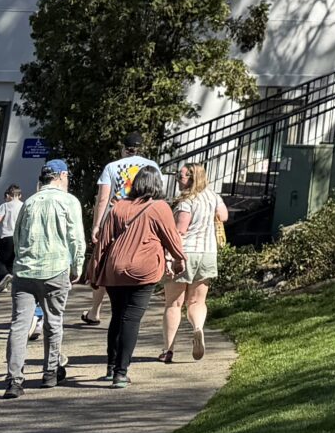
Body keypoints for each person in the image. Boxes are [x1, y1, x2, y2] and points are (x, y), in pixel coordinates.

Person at [82, 165, 184, 387]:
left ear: (136, 184)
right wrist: (179, 259)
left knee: (117, 316)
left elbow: (104, 241)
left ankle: (110, 367)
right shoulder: (160, 207)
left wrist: (95, 271)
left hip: (114, 269)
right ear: (157, 184)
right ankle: (121, 372)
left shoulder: (118, 207)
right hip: (144, 271)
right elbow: (172, 238)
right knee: (131, 319)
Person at [4, 160, 86, 399]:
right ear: (60, 176)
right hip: (56, 268)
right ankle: (50, 371)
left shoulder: (29, 201)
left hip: (25, 271)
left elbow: (17, 237)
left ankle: (14, 380)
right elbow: (76, 238)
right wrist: (77, 266)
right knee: (54, 321)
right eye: (67, 176)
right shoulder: (69, 201)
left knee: (19, 325)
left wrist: (20, 261)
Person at [78, 137, 158, 326]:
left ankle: (95, 311)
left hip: (114, 218)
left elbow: (103, 198)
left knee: (104, 262)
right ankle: (132, 305)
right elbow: (157, 193)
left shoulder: (112, 167)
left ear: (124, 149)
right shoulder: (152, 165)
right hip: (142, 219)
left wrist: (97, 224)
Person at [157, 164, 227, 362]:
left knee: (174, 303)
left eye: (183, 176)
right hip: (208, 253)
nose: (179, 179)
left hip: (185, 253)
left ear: (192, 178)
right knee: (197, 301)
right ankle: (197, 328)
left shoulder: (186, 202)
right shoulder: (213, 196)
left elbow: (180, 230)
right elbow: (224, 216)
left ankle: (168, 349)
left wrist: (170, 256)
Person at [0, 184, 25, 287]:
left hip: (7, 236)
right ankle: (6, 284)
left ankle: (4, 276)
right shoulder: (24, 205)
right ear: (19, 195)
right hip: (19, 237)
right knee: (11, 261)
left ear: (8, 195)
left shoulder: (5, 205)